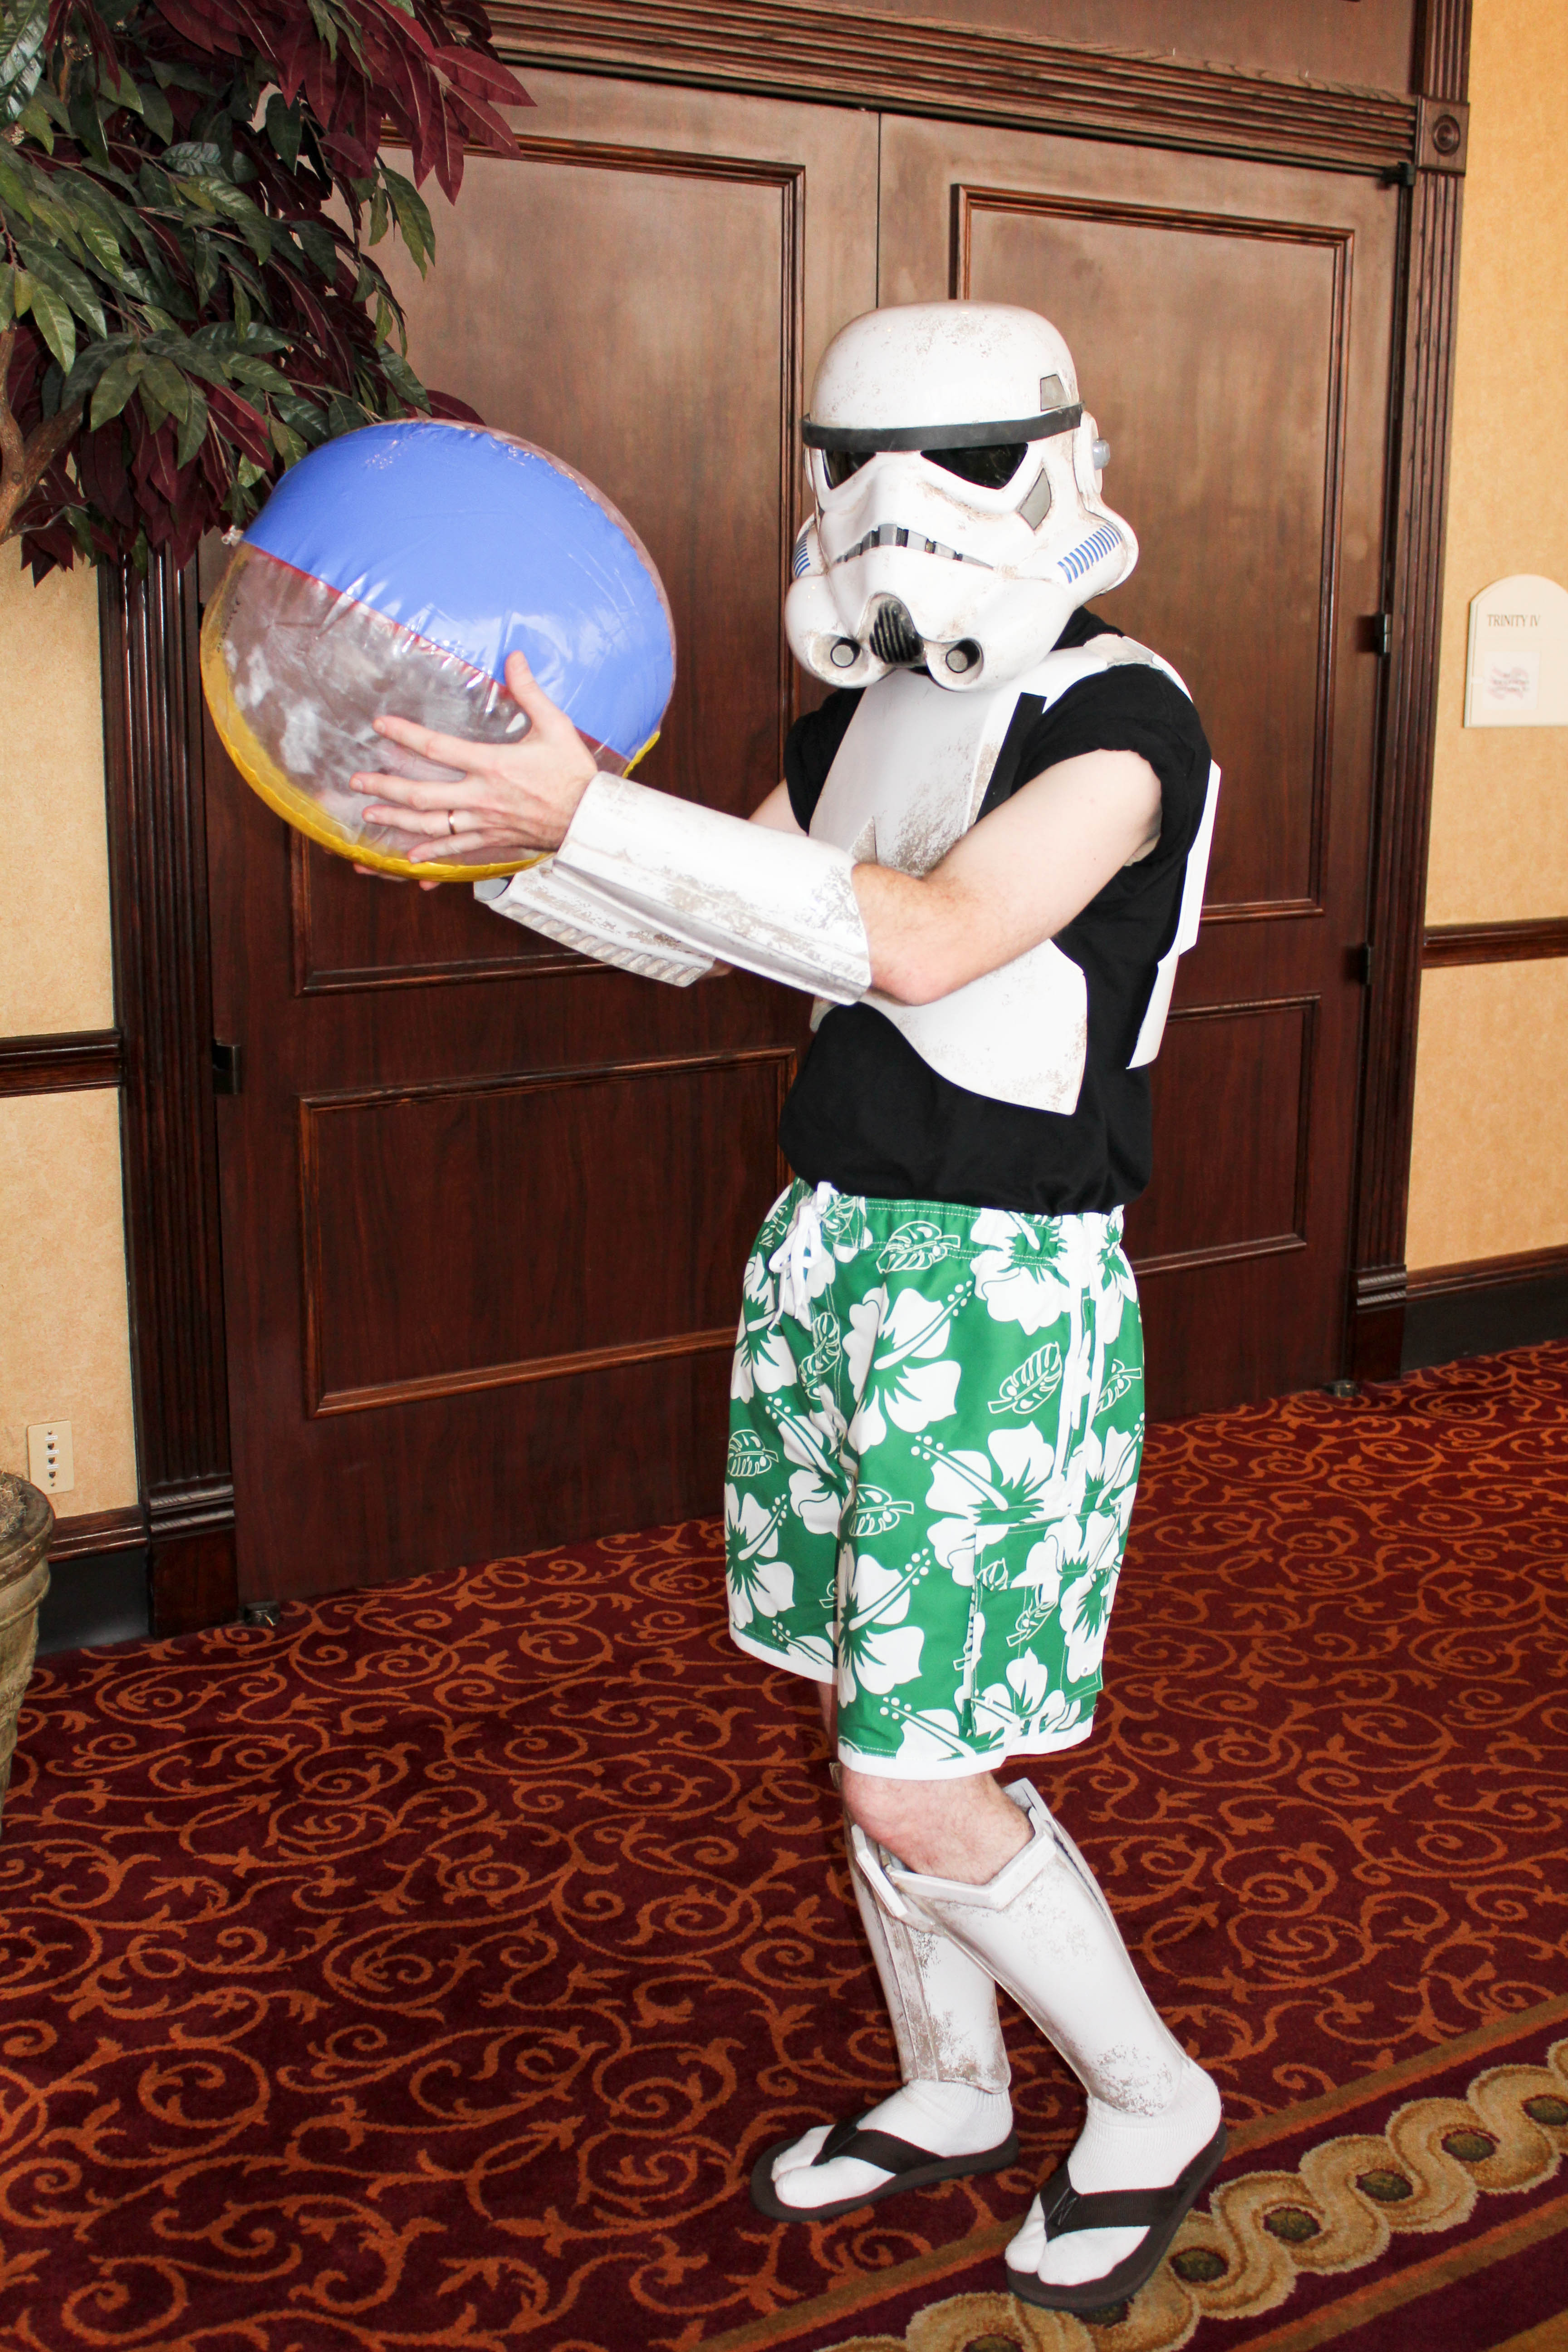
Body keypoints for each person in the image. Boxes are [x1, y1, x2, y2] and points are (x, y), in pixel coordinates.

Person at [348, 301, 1224, 2315]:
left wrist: (585, 816)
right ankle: (954, 2088)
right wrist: (478, 825)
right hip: (834, 1254)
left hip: (1000, 1294)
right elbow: (691, 931)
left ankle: (1153, 2098)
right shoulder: (853, 728)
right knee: (861, 1717)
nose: (902, 512)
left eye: (963, 463)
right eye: (858, 467)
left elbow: (926, 944)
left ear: (1060, 464)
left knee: (919, 1768)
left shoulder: (1126, 722)